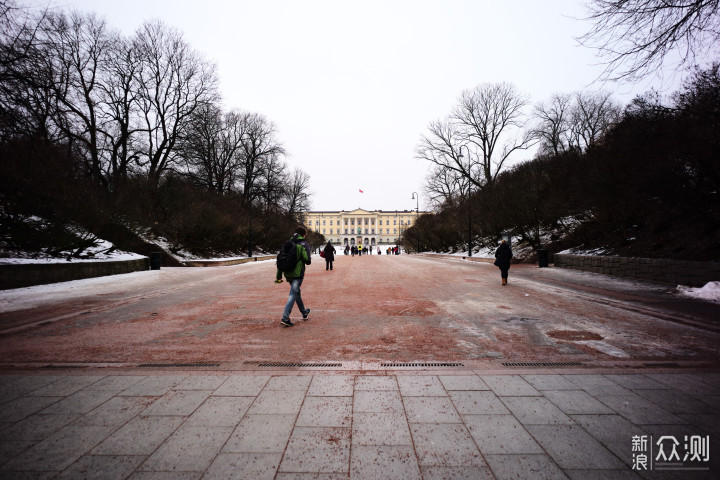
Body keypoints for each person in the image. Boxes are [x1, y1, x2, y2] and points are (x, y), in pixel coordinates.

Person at [275, 226, 312, 327]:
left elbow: (280, 260)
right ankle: (285, 317)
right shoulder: (303, 245)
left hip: (288, 273)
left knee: (296, 293)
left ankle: (304, 312)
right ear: (303, 235)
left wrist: (279, 276)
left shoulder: (287, 244)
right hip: (297, 273)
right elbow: (308, 260)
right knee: (293, 293)